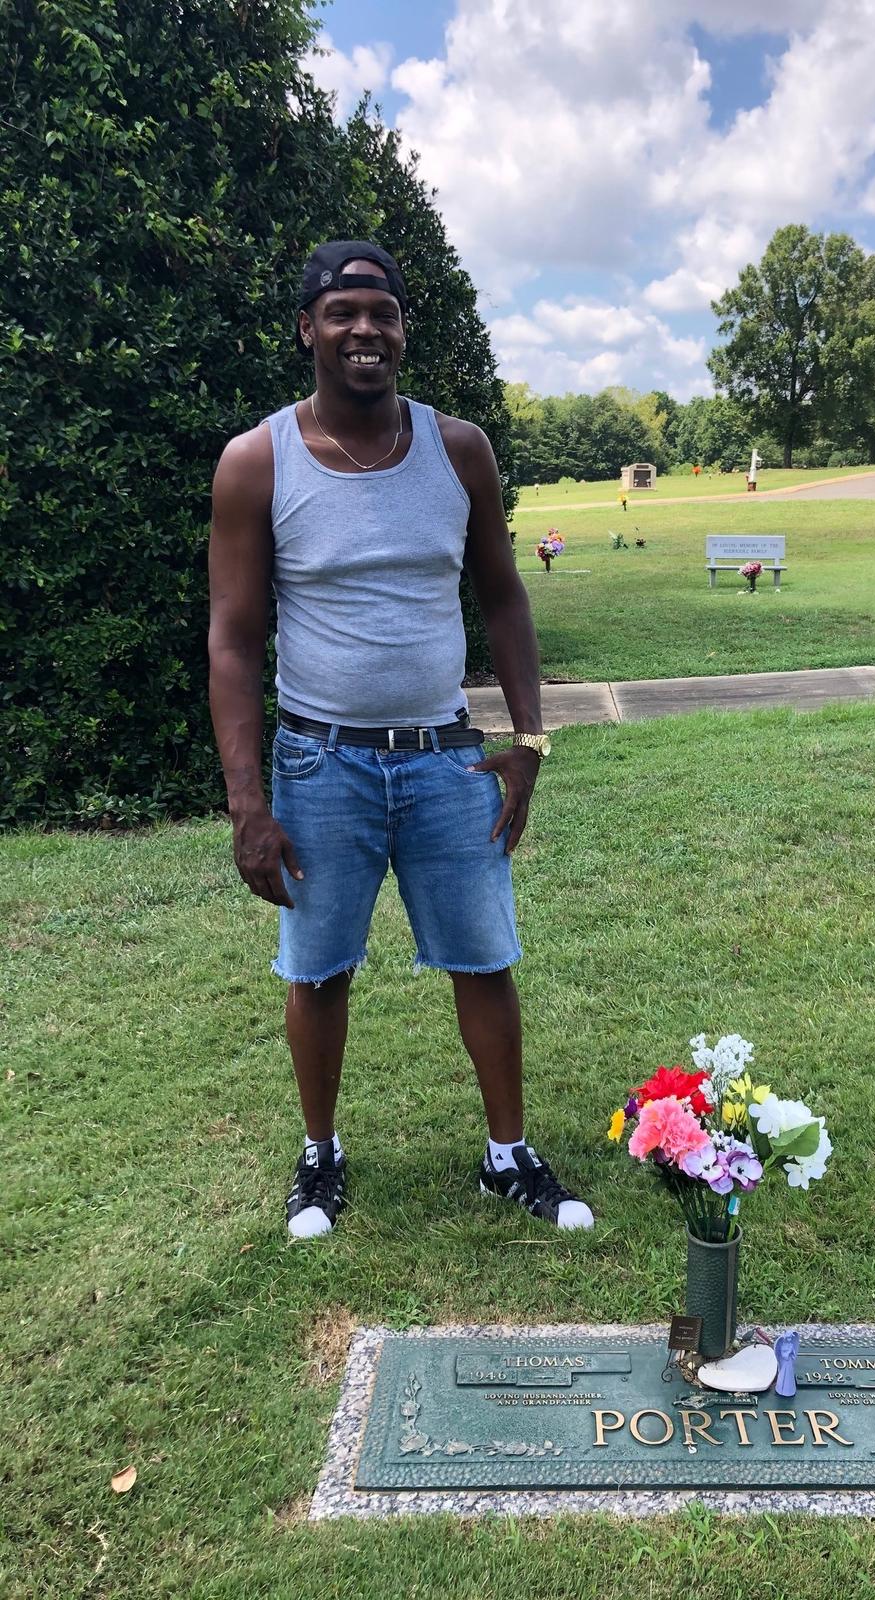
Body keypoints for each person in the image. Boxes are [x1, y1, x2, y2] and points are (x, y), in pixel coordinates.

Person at [207, 240, 593, 1240]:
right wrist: (249, 803)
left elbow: (503, 597)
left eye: (382, 312)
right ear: (307, 329)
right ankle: (320, 1155)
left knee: (484, 957)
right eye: (343, 313)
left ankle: (508, 1155)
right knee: (318, 966)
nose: (365, 329)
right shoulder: (258, 461)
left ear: (402, 327)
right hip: (318, 760)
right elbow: (234, 640)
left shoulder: (457, 449)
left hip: (445, 757)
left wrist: (531, 739)